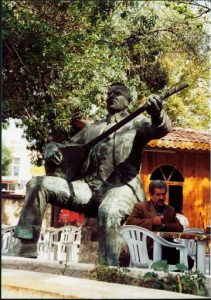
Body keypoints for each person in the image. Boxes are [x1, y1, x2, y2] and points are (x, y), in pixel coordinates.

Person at [8, 83, 172, 266]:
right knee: (38, 184)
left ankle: (107, 269)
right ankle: (25, 249)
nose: (111, 96)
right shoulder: (92, 128)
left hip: (122, 188)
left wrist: (157, 113)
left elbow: (161, 128)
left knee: (108, 210)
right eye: (108, 93)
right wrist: (50, 147)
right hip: (89, 189)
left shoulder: (137, 123)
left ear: (128, 100)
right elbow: (67, 148)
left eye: (117, 93)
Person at [126, 180, 194, 270]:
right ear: (151, 194)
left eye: (163, 194)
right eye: (158, 194)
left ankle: (171, 279)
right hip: (146, 248)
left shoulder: (170, 210)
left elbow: (179, 227)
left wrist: (164, 225)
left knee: (188, 262)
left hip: (167, 246)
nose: (161, 197)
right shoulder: (141, 207)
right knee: (185, 262)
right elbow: (130, 222)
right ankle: (170, 279)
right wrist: (151, 222)